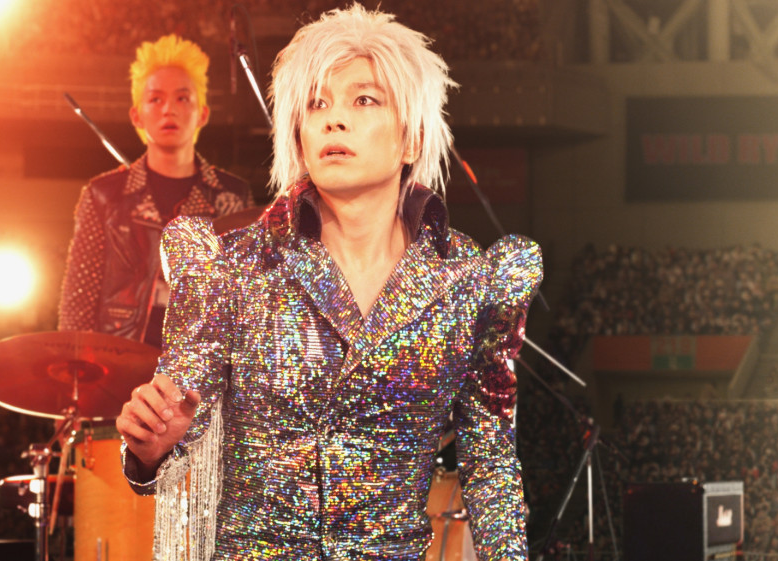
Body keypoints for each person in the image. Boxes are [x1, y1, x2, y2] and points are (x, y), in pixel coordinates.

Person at [115, 4, 543, 560]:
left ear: (412, 139)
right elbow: (174, 427)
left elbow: (491, 467)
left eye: (364, 100)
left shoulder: (466, 282)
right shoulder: (235, 267)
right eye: (316, 103)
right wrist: (150, 448)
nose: (333, 120)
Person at [58, 34, 252, 347]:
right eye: (155, 100)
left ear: (202, 113)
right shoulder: (103, 195)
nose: (168, 110)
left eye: (182, 99)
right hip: (119, 360)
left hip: (199, 365)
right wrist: (76, 368)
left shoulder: (231, 196)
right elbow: (78, 305)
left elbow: (244, 300)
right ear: (137, 115)